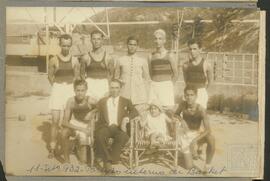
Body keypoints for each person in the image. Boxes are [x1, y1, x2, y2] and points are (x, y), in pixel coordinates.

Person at [94, 79, 139, 173]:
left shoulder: (126, 101)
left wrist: (126, 118)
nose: (114, 90)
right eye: (112, 88)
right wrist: (90, 113)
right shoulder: (103, 101)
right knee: (99, 135)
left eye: (116, 88)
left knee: (122, 138)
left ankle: (110, 158)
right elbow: (94, 109)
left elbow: (135, 112)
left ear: (120, 89)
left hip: (119, 128)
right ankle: (107, 162)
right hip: (106, 127)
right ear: (109, 88)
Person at [48, 34, 80, 158]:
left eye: (68, 45)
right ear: (60, 45)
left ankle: (69, 146)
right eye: (63, 45)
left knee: (68, 121)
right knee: (55, 120)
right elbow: (50, 76)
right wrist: (57, 87)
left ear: (70, 45)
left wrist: (70, 89)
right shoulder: (54, 59)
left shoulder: (74, 60)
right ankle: (52, 147)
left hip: (69, 89)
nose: (66, 48)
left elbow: (77, 77)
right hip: (57, 88)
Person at [174, 85, 215, 172]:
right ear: (184, 96)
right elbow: (175, 114)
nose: (189, 97)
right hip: (185, 135)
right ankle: (192, 153)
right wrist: (182, 120)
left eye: (191, 95)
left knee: (211, 138)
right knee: (189, 167)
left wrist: (195, 140)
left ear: (196, 96)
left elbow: (208, 130)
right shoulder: (183, 105)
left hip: (196, 134)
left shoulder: (201, 110)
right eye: (187, 95)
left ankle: (207, 166)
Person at [61, 79, 97, 164]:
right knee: (64, 132)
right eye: (78, 90)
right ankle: (66, 161)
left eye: (82, 90)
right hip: (76, 124)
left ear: (86, 90)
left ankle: (78, 145)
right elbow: (64, 122)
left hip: (86, 126)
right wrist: (80, 129)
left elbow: (101, 107)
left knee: (83, 161)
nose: (80, 93)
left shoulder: (91, 100)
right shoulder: (71, 101)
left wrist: (92, 112)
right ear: (74, 90)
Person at [114, 36, 151, 113]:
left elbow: (147, 80)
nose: (132, 47)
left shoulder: (142, 61)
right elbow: (116, 78)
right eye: (130, 44)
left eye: (134, 45)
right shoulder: (120, 60)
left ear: (137, 46)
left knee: (138, 117)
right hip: (124, 93)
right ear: (127, 45)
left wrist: (147, 97)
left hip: (139, 95)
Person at [148, 29, 178, 109]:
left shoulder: (170, 55)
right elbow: (151, 74)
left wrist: (169, 85)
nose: (157, 41)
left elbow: (176, 74)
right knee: (153, 110)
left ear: (164, 40)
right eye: (156, 38)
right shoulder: (150, 56)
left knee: (167, 111)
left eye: (160, 38)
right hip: (154, 85)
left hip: (166, 86)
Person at [80, 30, 115, 100]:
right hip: (90, 85)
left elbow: (111, 75)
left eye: (98, 39)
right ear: (91, 40)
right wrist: (86, 87)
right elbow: (82, 74)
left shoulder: (109, 57)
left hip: (103, 85)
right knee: (90, 107)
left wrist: (109, 88)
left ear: (102, 40)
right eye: (94, 39)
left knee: (104, 108)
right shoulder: (85, 57)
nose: (96, 41)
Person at [182, 39, 213, 109]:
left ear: (200, 49)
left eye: (195, 49)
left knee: (200, 115)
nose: (192, 51)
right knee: (186, 114)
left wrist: (203, 90)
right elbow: (186, 80)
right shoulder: (185, 65)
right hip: (189, 93)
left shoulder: (207, 64)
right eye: (190, 49)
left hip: (201, 92)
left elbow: (210, 81)